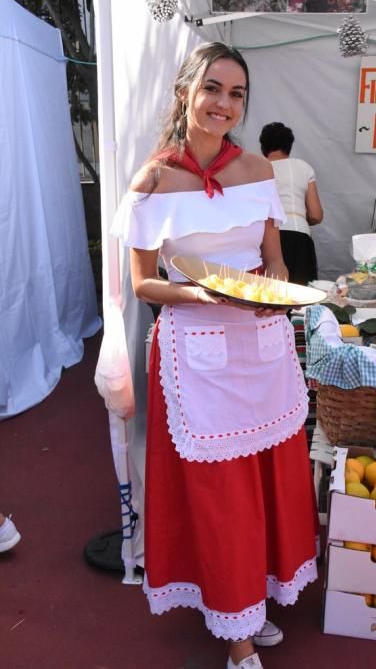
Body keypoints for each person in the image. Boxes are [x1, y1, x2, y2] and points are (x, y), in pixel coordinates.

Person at [113, 42, 319, 669]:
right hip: (195, 344)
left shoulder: (257, 171)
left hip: (260, 341)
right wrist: (200, 292)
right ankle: (236, 635)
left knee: (265, 479)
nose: (223, 104)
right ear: (185, 92)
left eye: (236, 94)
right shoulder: (152, 180)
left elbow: (273, 253)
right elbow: (143, 284)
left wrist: (276, 291)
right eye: (213, 89)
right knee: (220, 492)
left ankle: (251, 597)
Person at [259, 122, 323, 286]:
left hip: (264, 238)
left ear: (263, 146)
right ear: (289, 146)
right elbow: (316, 215)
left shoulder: (256, 168)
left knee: (269, 295)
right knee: (300, 298)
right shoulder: (303, 167)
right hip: (298, 234)